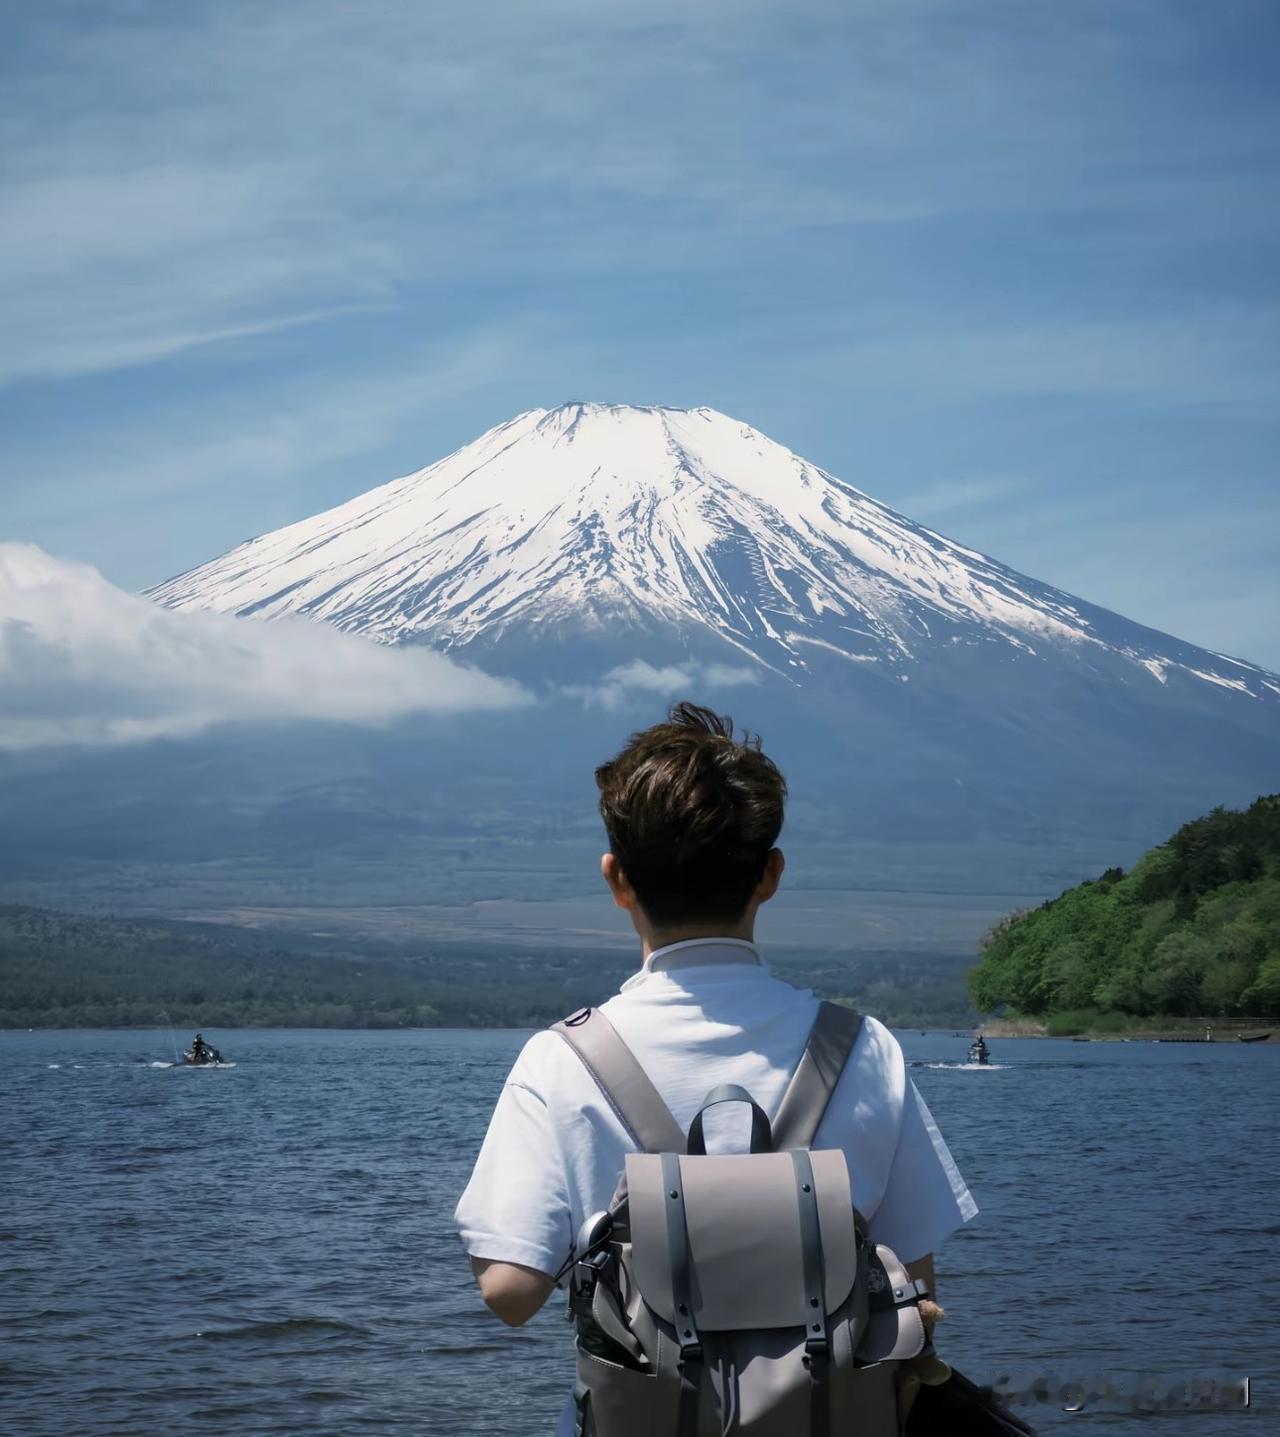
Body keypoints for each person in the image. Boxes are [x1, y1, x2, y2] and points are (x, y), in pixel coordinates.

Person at [454, 703, 978, 1435]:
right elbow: (914, 1290)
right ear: (771, 874)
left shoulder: (562, 1058)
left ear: (617, 878)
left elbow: (510, 1293)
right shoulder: (863, 1046)